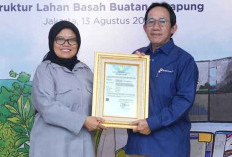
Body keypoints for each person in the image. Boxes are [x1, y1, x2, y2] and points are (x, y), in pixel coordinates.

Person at [124, 2, 199, 157]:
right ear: (145, 28)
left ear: (173, 28)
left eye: (162, 21)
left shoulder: (184, 61)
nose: (156, 27)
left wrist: (152, 123)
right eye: (151, 21)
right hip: (137, 146)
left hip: (169, 148)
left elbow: (183, 101)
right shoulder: (136, 58)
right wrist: (131, 66)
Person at [29, 20, 104, 157]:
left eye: (71, 40)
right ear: (52, 41)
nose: (66, 44)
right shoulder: (44, 70)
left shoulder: (85, 70)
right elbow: (47, 107)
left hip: (82, 147)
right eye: (60, 39)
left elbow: (102, 100)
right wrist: (82, 121)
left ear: (78, 43)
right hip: (52, 147)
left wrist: (134, 65)